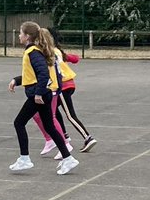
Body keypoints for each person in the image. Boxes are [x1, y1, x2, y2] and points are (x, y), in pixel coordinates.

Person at [7, 21, 79, 175]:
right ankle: (68, 158)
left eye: (20, 33)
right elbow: (32, 74)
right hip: (43, 93)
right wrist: (17, 80)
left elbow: (43, 74)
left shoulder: (33, 52)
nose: (19, 36)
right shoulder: (36, 51)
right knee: (50, 127)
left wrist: (39, 93)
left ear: (27, 36)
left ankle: (24, 158)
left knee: (19, 123)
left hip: (39, 95)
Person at [48, 27, 97, 154]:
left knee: (70, 115)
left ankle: (88, 137)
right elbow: (75, 59)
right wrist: (68, 57)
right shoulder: (57, 51)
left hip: (62, 85)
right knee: (53, 110)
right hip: (68, 84)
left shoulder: (49, 52)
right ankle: (64, 135)